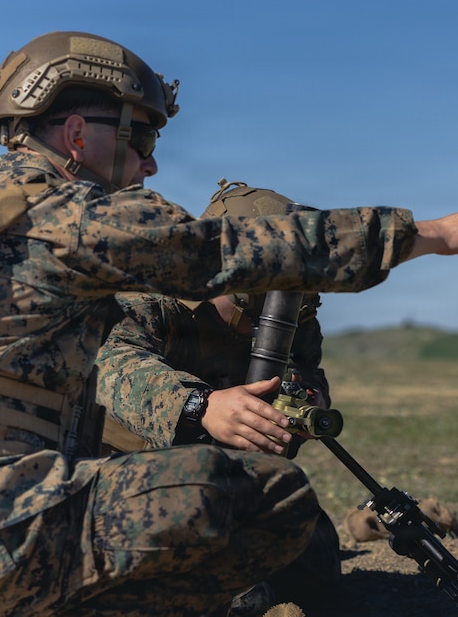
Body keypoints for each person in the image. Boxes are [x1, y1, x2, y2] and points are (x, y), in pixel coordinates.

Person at [0, 30, 458, 617]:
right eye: (142, 136)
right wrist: (431, 234)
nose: (150, 165)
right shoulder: (71, 218)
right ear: (77, 133)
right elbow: (230, 251)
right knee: (270, 498)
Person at [95, 181, 340, 609]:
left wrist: (308, 396)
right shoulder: (147, 292)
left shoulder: (294, 308)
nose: (277, 314)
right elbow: (110, 364)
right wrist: (202, 406)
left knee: (316, 565)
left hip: (229, 479)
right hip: (125, 473)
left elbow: (308, 366)